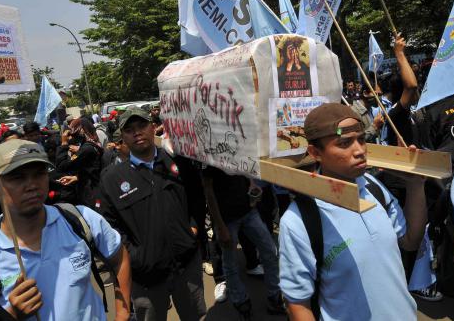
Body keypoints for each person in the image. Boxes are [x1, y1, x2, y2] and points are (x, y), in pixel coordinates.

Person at [0, 139, 132, 321]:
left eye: (39, 174)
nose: (32, 185)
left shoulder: (81, 220)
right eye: (17, 178)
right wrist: (9, 315)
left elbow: (120, 258)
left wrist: (122, 315)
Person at [279, 103, 427, 320]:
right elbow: (298, 304)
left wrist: (416, 185)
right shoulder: (299, 220)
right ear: (315, 153)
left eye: (361, 139)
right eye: (344, 143)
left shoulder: (374, 188)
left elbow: (411, 241)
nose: (359, 150)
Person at [99, 108, 206, 321]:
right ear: (122, 136)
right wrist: (134, 256)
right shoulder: (111, 178)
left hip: (186, 266)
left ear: (152, 127)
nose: (137, 133)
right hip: (145, 277)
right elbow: (110, 227)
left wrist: (192, 229)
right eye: (130, 130)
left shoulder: (178, 162)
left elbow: (197, 198)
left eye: (141, 126)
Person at [202, 166, 286, 319]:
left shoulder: (236, 143)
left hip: (248, 210)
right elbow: (208, 190)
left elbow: (243, 166)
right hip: (226, 218)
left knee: (270, 251)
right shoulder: (209, 151)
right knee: (230, 264)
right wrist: (220, 226)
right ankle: (242, 304)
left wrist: (251, 183)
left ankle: (274, 298)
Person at [56, 118, 102, 208]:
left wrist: (64, 143)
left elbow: (61, 166)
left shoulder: (86, 149)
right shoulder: (93, 144)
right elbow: (91, 169)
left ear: (81, 130)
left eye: (73, 130)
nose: (72, 135)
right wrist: (76, 177)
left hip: (91, 193)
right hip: (94, 188)